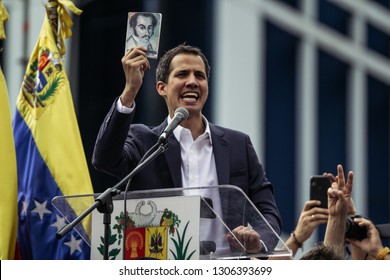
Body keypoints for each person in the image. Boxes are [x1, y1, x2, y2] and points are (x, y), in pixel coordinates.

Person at [92, 44, 282, 255]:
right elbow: (104, 159)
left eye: (199, 76)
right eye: (182, 74)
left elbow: (267, 211)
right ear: (161, 88)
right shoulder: (145, 141)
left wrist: (258, 243)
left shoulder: (239, 144)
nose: (192, 81)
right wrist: (130, 91)